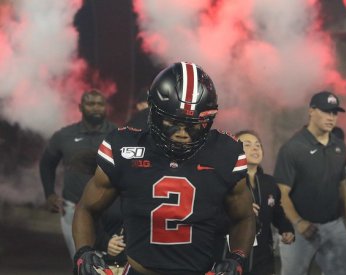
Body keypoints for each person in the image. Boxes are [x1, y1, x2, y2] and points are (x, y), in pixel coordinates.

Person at [72, 61, 256, 275]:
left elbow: (244, 216)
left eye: (193, 125)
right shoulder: (125, 147)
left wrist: (237, 257)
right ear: (154, 113)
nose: (182, 133)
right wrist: (84, 252)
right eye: (173, 122)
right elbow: (86, 208)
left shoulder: (226, 153)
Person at [274, 91, 346, 275]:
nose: (331, 117)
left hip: (334, 225)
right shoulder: (293, 148)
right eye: (326, 112)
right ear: (311, 111)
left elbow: (343, 184)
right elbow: (281, 193)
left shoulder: (339, 146)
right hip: (300, 228)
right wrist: (298, 222)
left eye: (334, 113)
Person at [39, 89, 116, 258]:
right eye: (91, 104)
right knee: (81, 260)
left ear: (106, 107)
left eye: (100, 104)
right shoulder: (64, 135)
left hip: (109, 209)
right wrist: (49, 193)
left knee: (110, 262)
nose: (96, 108)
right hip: (73, 208)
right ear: (81, 107)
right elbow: (46, 164)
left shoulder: (118, 134)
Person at [232, 130, 294, 275]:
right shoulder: (225, 181)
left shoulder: (269, 182)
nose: (255, 148)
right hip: (233, 255)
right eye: (247, 145)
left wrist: (286, 229)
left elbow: (277, 211)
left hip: (264, 256)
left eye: (258, 145)